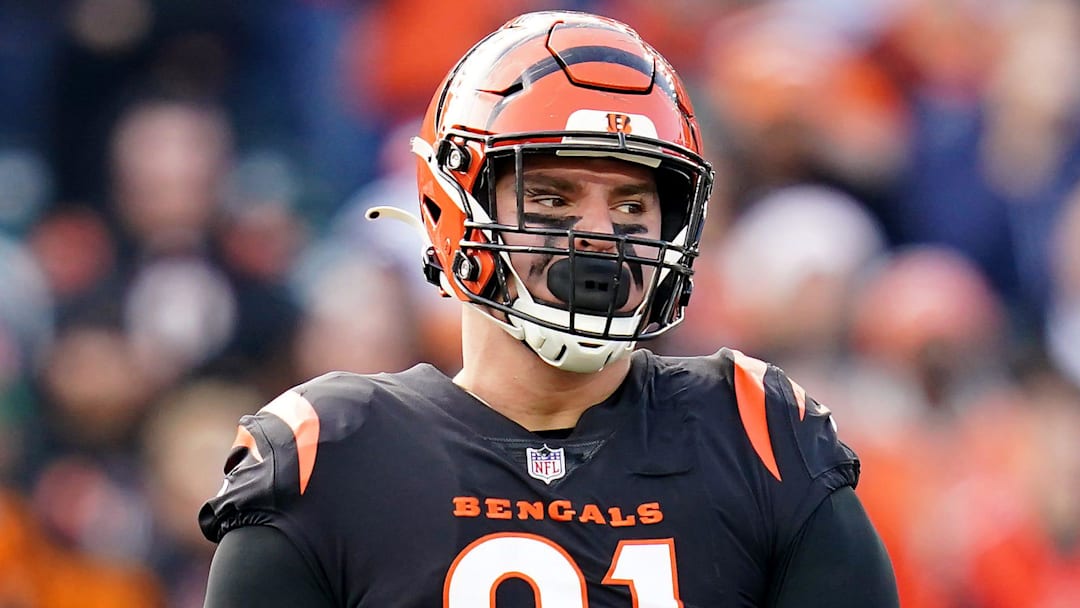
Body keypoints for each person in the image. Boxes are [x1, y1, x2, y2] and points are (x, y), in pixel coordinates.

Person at [199, 11, 899, 607]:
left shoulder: (756, 434)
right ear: (453, 205)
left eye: (631, 203)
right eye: (552, 198)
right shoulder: (330, 455)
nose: (598, 235)